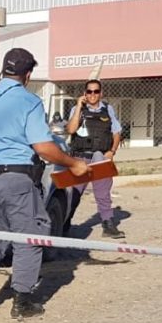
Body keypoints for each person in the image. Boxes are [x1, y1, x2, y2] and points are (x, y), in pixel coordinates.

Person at [0, 48, 89, 320]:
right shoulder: (29, 102)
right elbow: (43, 147)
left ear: (4, 70)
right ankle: (22, 301)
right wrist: (74, 163)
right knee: (29, 235)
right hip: (16, 179)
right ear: (27, 75)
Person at [65, 79, 125, 239]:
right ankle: (64, 225)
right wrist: (79, 106)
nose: (93, 94)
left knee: (103, 192)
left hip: (101, 156)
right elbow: (70, 129)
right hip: (80, 157)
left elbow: (116, 132)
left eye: (96, 91)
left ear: (101, 93)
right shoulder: (77, 109)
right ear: (85, 93)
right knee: (73, 194)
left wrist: (112, 151)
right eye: (89, 91)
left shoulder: (108, 109)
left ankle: (108, 224)